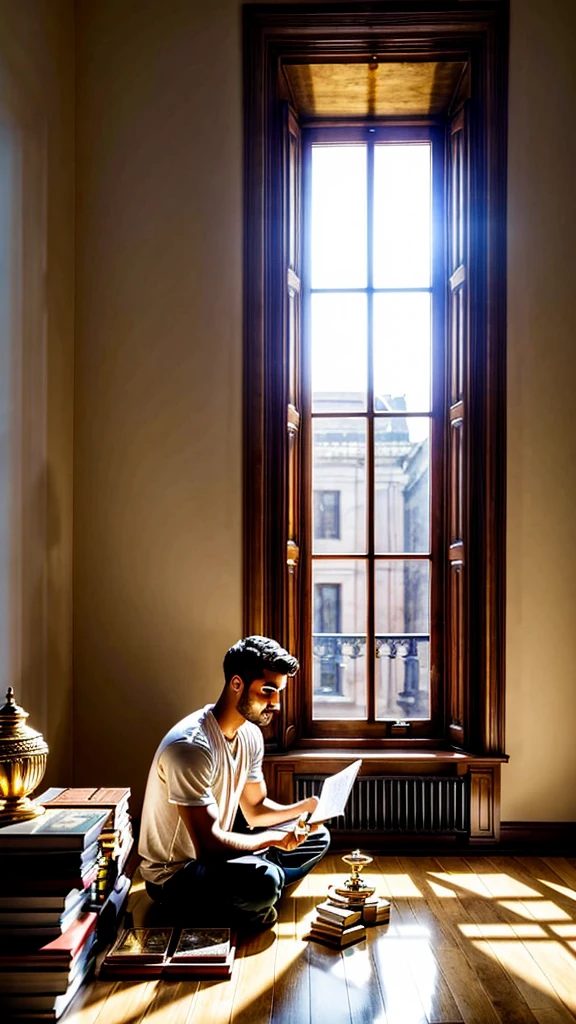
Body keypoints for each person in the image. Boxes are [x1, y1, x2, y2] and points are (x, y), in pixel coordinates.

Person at [138, 635, 330, 929]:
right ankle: (261, 891)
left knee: (318, 835)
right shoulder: (190, 748)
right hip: (177, 874)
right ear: (236, 684)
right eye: (267, 690)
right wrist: (273, 839)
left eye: (278, 692)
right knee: (266, 882)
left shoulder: (250, 735)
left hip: (218, 861)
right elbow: (209, 846)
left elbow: (255, 809)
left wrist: (302, 809)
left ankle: (256, 893)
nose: (275, 703)